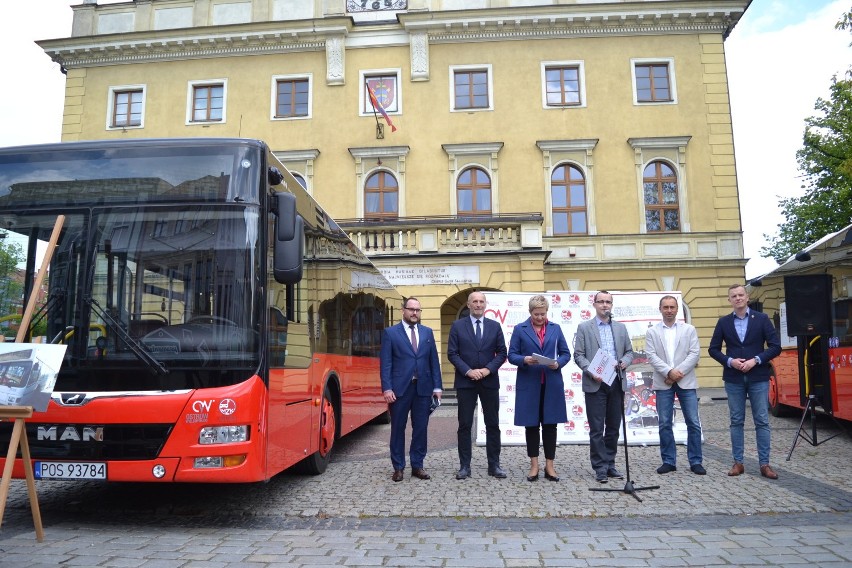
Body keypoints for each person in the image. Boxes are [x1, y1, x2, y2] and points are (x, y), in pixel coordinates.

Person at [708, 284, 782, 479]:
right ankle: (738, 462)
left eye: (741, 295)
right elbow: (713, 349)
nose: (738, 298)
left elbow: (775, 347)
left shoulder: (763, 319)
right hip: (734, 378)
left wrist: (755, 360)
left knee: (762, 421)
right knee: (736, 421)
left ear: (747, 297)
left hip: (758, 376)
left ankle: (764, 464)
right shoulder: (723, 322)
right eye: (734, 296)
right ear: (729, 300)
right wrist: (729, 361)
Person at [508, 295, 571, 482]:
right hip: (529, 383)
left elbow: (566, 354)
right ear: (530, 312)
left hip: (551, 383)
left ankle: (549, 466)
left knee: (551, 425)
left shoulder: (555, 328)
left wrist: (558, 363)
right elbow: (512, 355)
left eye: (543, 314)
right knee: (532, 425)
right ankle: (534, 465)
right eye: (536, 314)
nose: (540, 317)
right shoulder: (520, 329)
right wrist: (524, 359)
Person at [574, 290, 635, 484]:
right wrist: (590, 370)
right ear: (594, 304)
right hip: (595, 382)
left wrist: (625, 362)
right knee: (596, 428)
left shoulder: (620, 328)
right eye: (601, 302)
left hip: (616, 381)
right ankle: (599, 467)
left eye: (608, 302)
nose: (604, 305)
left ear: (612, 305)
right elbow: (579, 355)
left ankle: (610, 464)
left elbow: (629, 352)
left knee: (613, 427)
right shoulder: (585, 327)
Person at [380, 297, 443, 482]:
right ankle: (398, 467)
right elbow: (386, 364)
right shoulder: (391, 333)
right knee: (398, 428)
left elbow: (433, 361)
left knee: (421, 429)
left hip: (423, 388)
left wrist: (437, 386)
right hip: (400, 389)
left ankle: (418, 465)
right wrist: (387, 388)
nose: (415, 313)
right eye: (411, 309)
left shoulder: (427, 333)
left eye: (418, 310)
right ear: (403, 310)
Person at [447, 291, 508, 479]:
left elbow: (502, 353)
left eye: (481, 301)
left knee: (493, 424)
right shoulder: (457, 326)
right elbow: (452, 353)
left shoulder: (494, 326)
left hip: (489, 381)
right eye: (475, 301)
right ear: (468, 305)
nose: (478, 304)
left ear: (485, 304)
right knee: (464, 424)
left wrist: (488, 370)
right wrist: (468, 371)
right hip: (466, 382)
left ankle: (494, 465)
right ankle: (464, 466)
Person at [645, 295, 705, 475]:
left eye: (672, 307)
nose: (669, 310)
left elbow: (694, 353)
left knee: (693, 423)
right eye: (666, 307)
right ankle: (669, 461)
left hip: (686, 381)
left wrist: (677, 372)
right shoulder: (652, 332)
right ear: (660, 309)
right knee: (664, 423)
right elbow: (651, 355)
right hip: (664, 382)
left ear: (677, 309)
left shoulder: (689, 329)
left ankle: (695, 461)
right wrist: (668, 372)